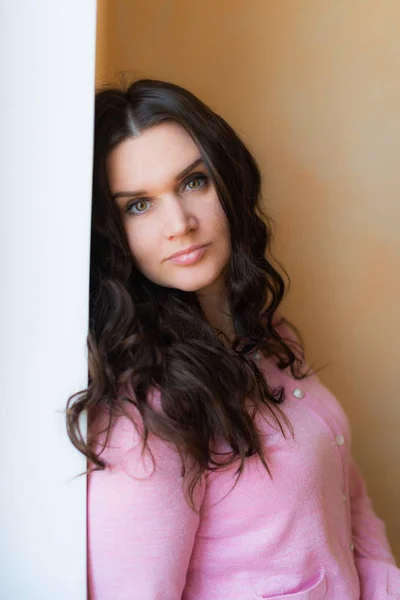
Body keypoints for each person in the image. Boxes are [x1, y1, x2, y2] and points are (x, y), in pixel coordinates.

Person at [67, 79, 400, 599]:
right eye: (138, 206)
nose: (180, 223)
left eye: (194, 182)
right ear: (110, 234)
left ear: (228, 180)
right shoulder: (147, 418)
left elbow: (345, 489)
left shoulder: (268, 337)